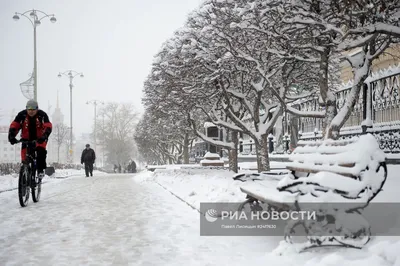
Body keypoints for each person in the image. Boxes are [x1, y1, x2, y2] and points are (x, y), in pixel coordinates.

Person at [8, 99, 52, 182]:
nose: (31, 111)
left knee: (41, 152)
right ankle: (25, 175)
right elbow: (15, 125)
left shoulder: (42, 115)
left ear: (37, 109)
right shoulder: (22, 115)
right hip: (26, 139)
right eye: (29, 109)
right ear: (26, 108)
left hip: (40, 139)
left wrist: (45, 136)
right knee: (24, 158)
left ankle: (40, 170)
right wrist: (11, 136)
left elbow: (48, 126)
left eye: (33, 109)